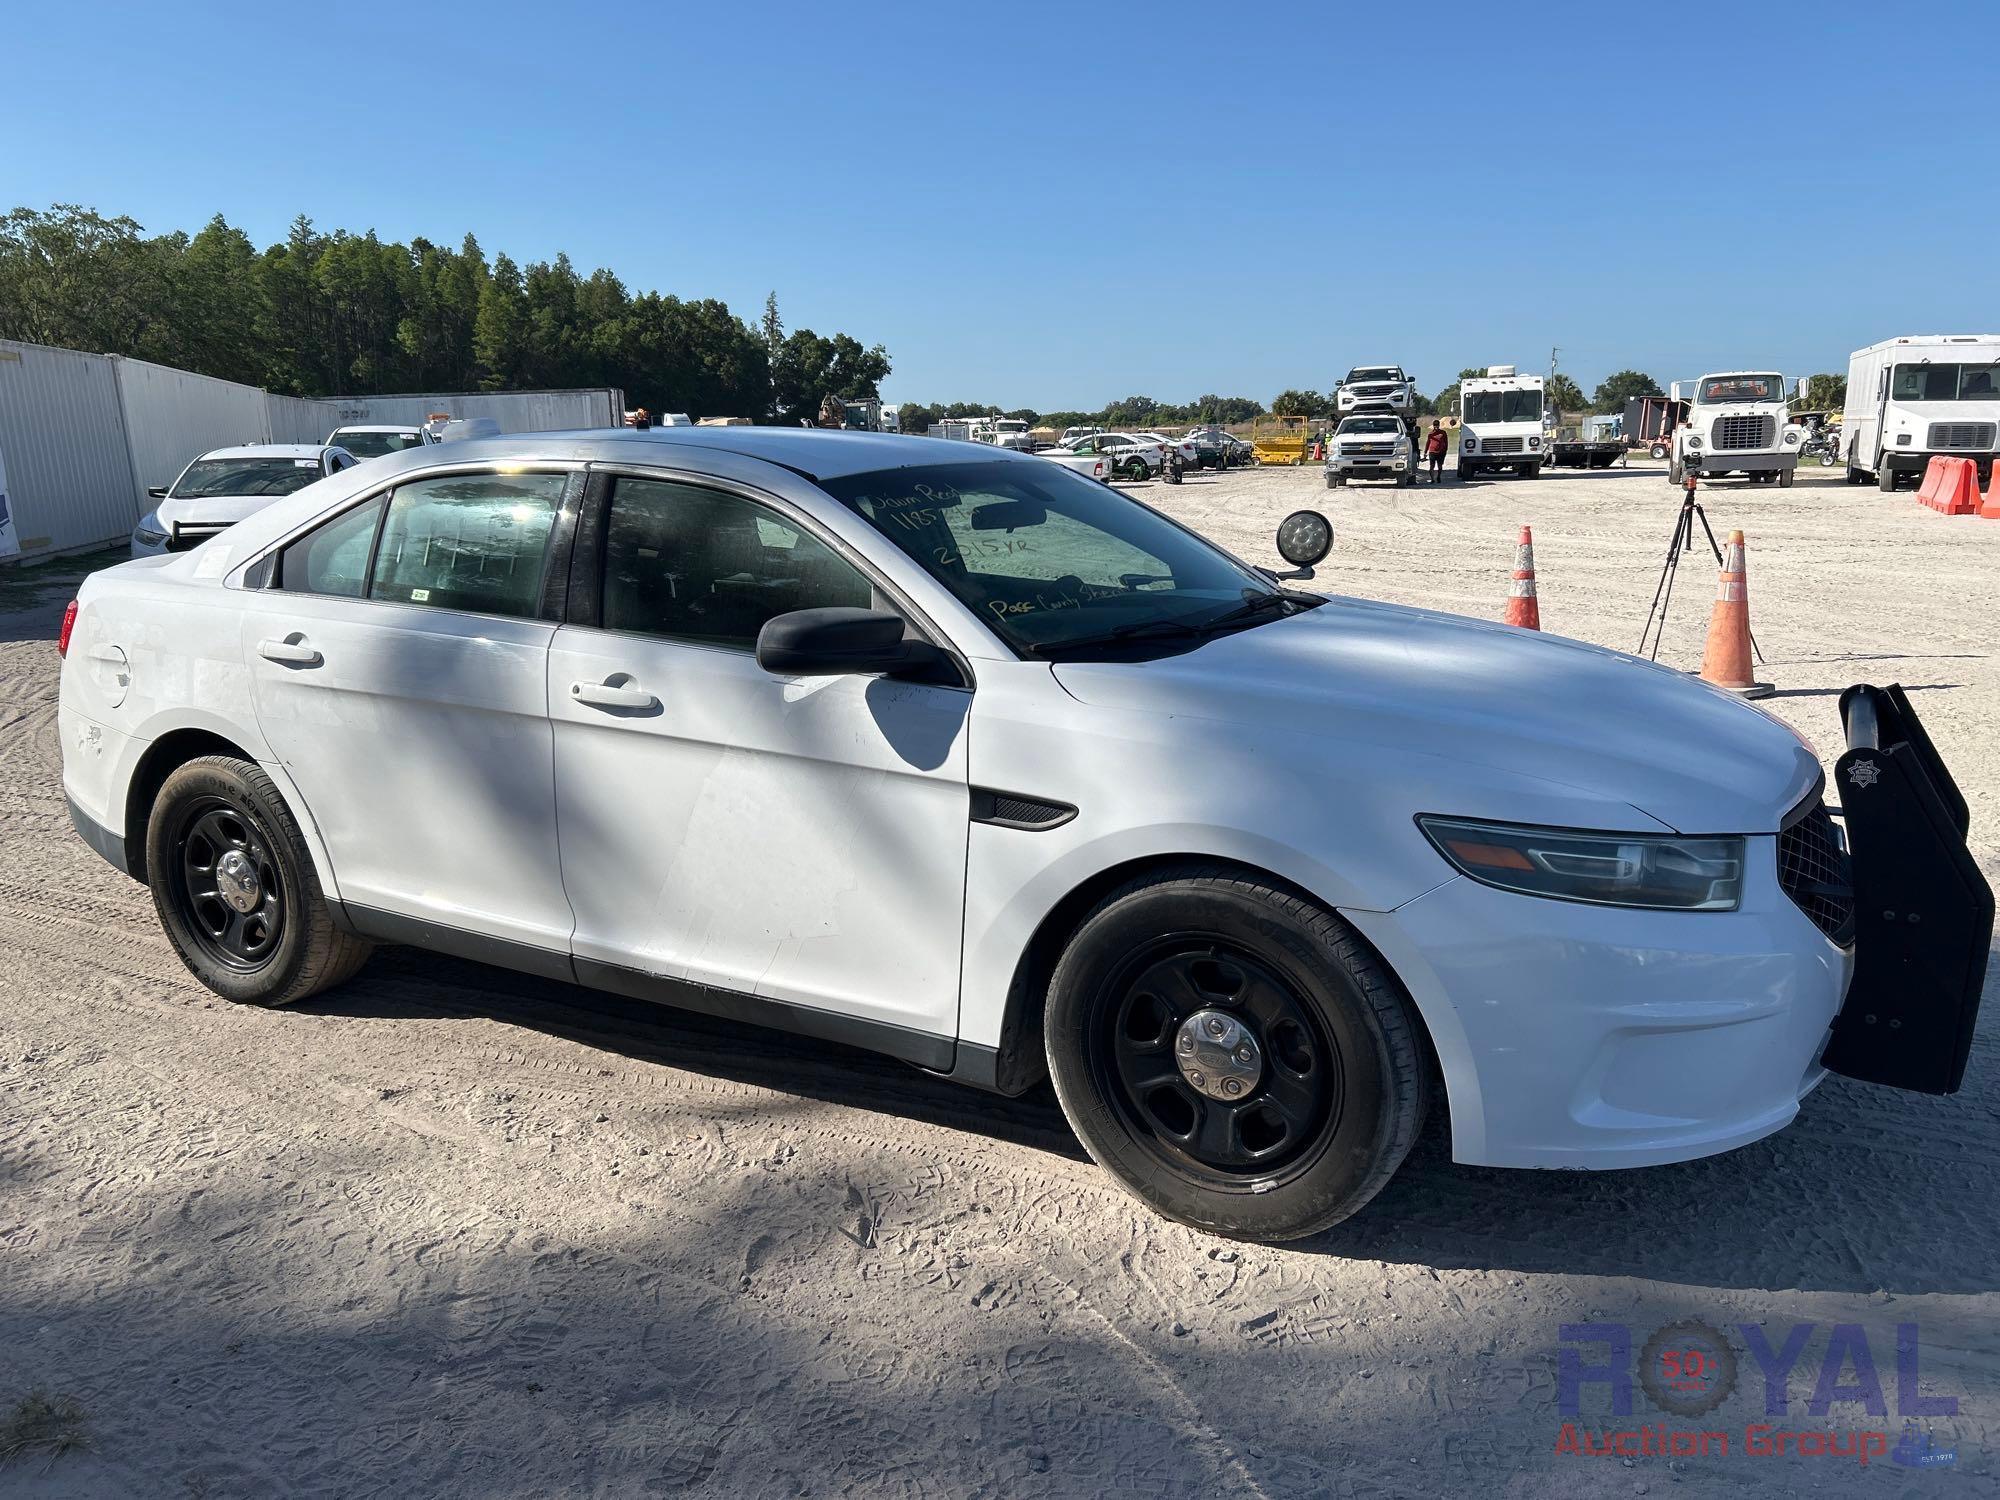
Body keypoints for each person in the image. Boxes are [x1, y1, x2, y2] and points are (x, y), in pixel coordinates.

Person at [1424, 419, 1448, 483]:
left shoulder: (1443, 433)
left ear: (1439, 425)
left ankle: (1438, 477)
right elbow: (1428, 443)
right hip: (1432, 452)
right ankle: (1432, 479)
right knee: (1432, 466)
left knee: (1440, 466)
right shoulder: (1430, 434)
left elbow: (1446, 442)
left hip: (1441, 452)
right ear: (1433, 426)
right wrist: (1425, 452)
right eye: (1435, 426)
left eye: (1437, 426)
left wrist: (1445, 451)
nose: (1436, 427)